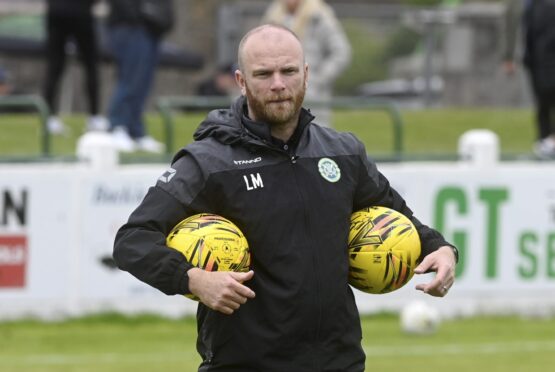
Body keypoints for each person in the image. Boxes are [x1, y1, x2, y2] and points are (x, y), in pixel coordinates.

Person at [113, 25, 458, 371]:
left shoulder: (342, 153)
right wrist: (193, 278)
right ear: (241, 81)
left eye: (288, 71)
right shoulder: (208, 163)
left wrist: (439, 248)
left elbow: (396, 214)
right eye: (263, 74)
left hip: (339, 362)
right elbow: (133, 240)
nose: (278, 84)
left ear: (305, 75)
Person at [262, 0, 351, 128]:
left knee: (314, 136)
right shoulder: (272, 17)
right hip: (278, 89)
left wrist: (317, 80)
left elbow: (341, 52)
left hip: (312, 96)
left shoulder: (319, 16)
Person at [105, 0, 173, 153]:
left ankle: (136, 131)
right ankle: (117, 126)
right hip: (130, 25)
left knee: (143, 83)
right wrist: (136, 14)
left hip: (151, 26)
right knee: (130, 80)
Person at [42, 0, 108, 134]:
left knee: (56, 67)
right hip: (77, 12)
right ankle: (93, 117)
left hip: (59, 12)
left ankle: (49, 118)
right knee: (89, 65)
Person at [503, 0, 555, 159]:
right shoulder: (531, 7)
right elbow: (526, 35)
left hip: (542, 63)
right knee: (543, 104)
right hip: (539, 63)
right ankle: (544, 141)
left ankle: (547, 141)